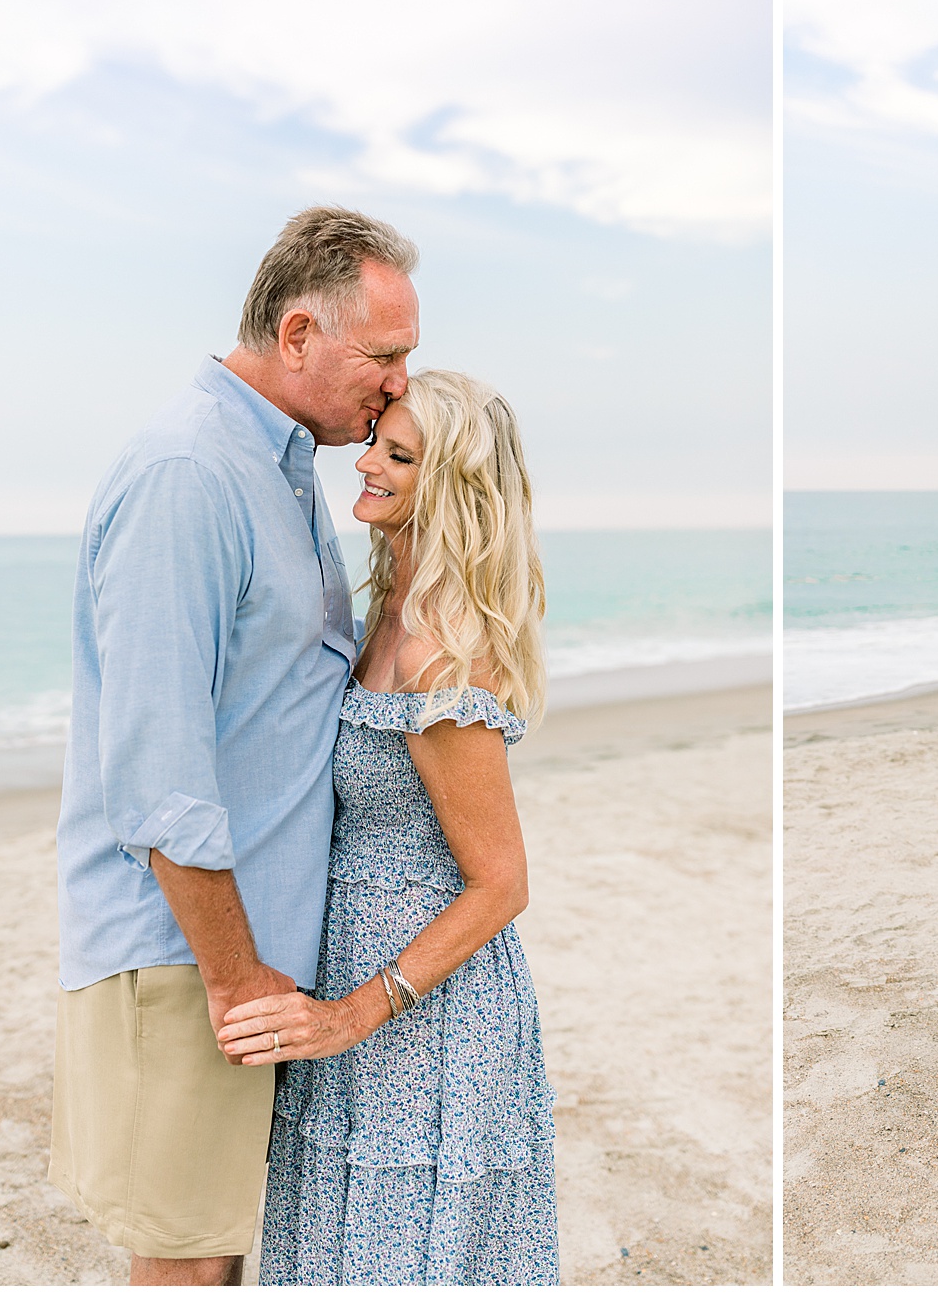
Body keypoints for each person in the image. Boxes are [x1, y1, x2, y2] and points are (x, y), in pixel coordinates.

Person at [49, 206, 420, 1283]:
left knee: (221, 1255)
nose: (398, 381)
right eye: (384, 354)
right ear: (299, 334)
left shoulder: (287, 466)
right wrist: (234, 976)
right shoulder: (189, 474)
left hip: (247, 951)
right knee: (188, 1261)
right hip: (188, 953)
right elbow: (158, 772)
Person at [217, 370, 559, 1285]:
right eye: (375, 440)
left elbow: (503, 881)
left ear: (450, 486)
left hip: (425, 1010)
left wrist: (353, 1015)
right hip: (349, 974)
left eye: (398, 455)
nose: (364, 462)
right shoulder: (381, 618)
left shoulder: (439, 654)